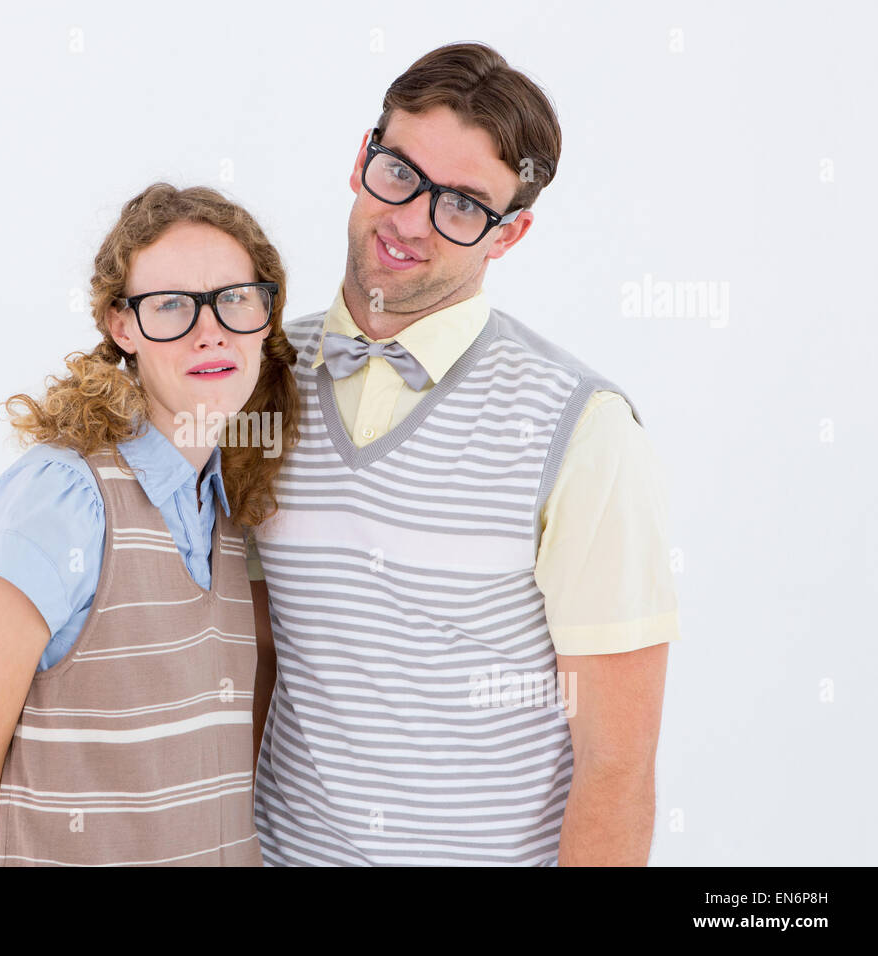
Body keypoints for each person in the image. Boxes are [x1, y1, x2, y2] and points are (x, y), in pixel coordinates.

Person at [248, 42, 681, 866]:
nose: (411, 220)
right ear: (361, 161)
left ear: (509, 234)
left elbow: (617, 765)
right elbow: (255, 653)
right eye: (401, 174)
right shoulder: (257, 379)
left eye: (463, 205)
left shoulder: (584, 430)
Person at [0, 182, 298, 866]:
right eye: (172, 305)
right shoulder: (60, 499)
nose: (208, 328)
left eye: (235, 298)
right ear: (122, 327)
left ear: (266, 318)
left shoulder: (232, 511)